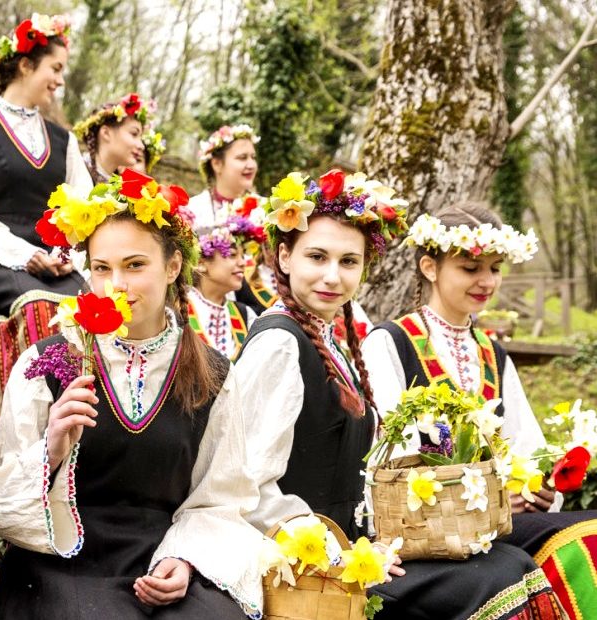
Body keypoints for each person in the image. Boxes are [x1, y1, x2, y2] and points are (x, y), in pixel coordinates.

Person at [236, 171, 563, 618]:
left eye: (349, 262)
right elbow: (247, 486)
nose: (333, 276)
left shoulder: (326, 340)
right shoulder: (280, 343)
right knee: (496, 577)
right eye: (317, 256)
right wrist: (341, 553)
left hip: (355, 546)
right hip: (304, 568)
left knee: (511, 563)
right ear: (284, 256)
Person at [0, 171, 264, 619]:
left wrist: (185, 560)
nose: (117, 285)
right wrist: (50, 451)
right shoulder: (46, 363)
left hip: (163, 555)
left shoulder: (213, 375)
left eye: (135, 265)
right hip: (61, 563)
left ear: (172, 267)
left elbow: (220, 498)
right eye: (102, 269)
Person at [362, 202, 597, 613]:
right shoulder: (389, 343)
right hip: (422, 533)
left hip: (494, 526)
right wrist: (492, 495)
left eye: (495, 268)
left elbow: (527, 446)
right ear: (430, 268)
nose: (486, 281)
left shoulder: (493, 353)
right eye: (470, 268)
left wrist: (538, 490)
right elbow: (386, 458)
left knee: (590, 532)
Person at [0, 13, 92, 319]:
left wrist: (63, 254)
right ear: (26, 65)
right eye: (56, 68)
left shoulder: (64, 141)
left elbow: (83, 209)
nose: (61, 81)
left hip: (54, 262)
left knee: (93, 306)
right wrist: (26, 255)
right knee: (40, 308)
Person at [186, 217, 263, 361]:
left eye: (242, 256)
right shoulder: (176, 313)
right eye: (232, 255)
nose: (242, 263)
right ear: (200, 263)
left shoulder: (245, 315)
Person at [188, 124, 259, 230]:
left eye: (253, 157)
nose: (251, 165)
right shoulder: (192, 211)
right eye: (242, 158)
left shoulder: (267, 211)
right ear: (217, 164)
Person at [74, 92, 149, 184]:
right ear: (106, 133)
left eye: (140, 137)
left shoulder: (120, 188)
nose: (141, 146)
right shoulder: (73, 170)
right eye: (134, 134)